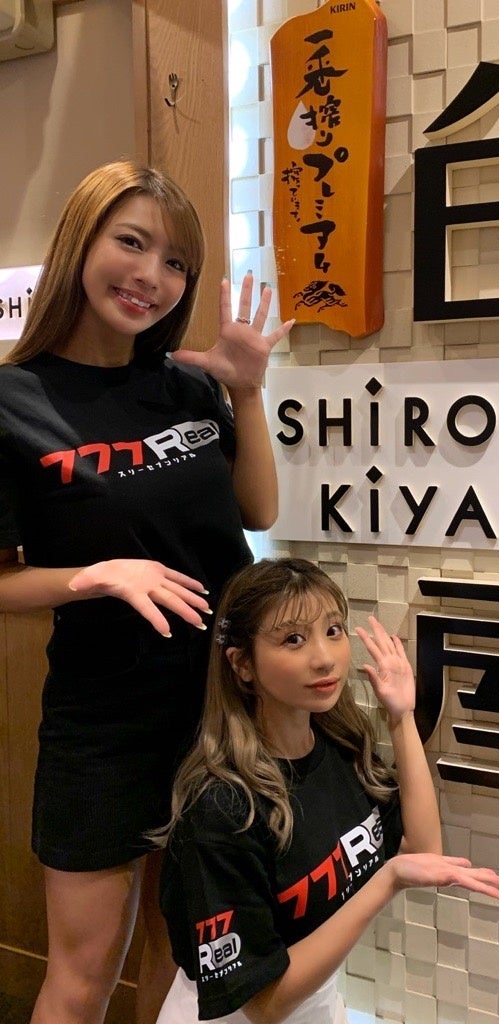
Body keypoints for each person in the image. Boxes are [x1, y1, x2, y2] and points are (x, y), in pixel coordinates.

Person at [0, 160, 293, 1024]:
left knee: (187, 954)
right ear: (80, 242)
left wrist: (245, 391)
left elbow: (257, 510)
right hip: (106, 721)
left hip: (220, 709)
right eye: (130, 242)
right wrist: (97, 575)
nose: (150, 276)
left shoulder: (189, 384)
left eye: (175, 263)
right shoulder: (13, 403)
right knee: (83, 975)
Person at [155, 557, 499, 1024]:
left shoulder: (339, 748)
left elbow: (423, 851)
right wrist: (386, 881)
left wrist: (401, 717)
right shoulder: (221, 807)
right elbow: (264, 1004)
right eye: (293, 639)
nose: (324, 658)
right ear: (242, 664)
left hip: (319, 1006)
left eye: (334, 630)